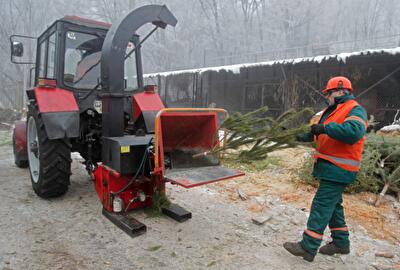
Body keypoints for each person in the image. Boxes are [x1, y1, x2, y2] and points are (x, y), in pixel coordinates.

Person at [283, 76, 368, 262]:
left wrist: (324, 128)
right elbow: (316, 134)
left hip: (339, 169)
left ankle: (308, 247)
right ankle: (341, 243)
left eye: (328, 94)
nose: (327, 98)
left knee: (321, 206)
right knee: (334, 207)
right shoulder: (331, 112)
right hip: (331, 169)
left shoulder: (355, 109)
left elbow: (353, 132)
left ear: (339, 91)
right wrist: (289, 135)